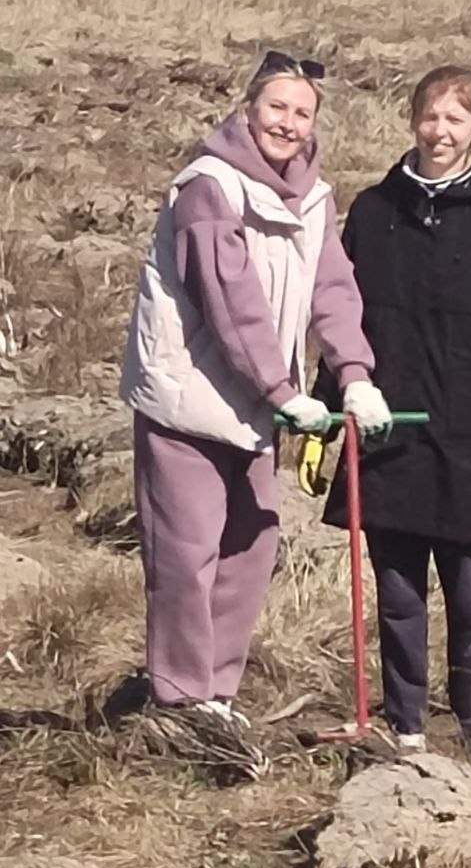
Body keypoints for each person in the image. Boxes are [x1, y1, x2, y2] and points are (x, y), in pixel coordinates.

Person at [298, 64, 471, 755]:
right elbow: (344, 325)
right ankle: (407, 726)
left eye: (455, 119)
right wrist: (324, 419)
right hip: (387, 428)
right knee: (398, 595)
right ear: (412, 120)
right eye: (429, 116)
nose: (439, 131)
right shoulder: (373, 211)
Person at [120, 50, 392, 721]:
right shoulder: (209, 188)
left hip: (255, 404)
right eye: (277, 107)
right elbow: (229, 302)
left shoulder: (315, 198)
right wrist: (285, 393)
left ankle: (217, 693)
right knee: (187, 552)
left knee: (252, 543)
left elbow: (333, 289)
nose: (288, 123)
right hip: (188, 399)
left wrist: (355, 376)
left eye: (302, 113)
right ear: (248, 109)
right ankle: (180, 701)